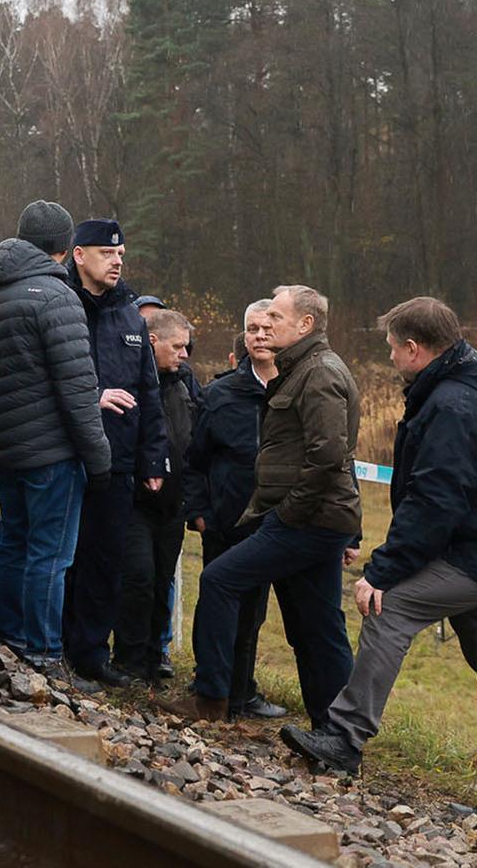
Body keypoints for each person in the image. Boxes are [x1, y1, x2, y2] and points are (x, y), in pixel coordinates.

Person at [282, 297, 477, 831]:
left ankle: (343, 737)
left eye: (391, 348)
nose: (388, 358)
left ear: (413, 348)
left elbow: (436, 500)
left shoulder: (453, 403)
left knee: (389, 605)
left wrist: (382, 570)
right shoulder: (467, 386)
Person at [168, 284, 359, 722]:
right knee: (314, 626)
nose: (265, 326)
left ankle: (211, 700)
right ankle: (332, 729)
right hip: (304, 518)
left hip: (305, 521)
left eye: (275, 317)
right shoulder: (301, 369)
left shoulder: (320, 373)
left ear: (305, 324)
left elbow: (331, 456)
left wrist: (288, 512)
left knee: (221, 581)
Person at [0, 200, 111, 686]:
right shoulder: (56, 298)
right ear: (66, 249)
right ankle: (44, 652)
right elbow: (77, 389)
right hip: (52, 450)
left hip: (5, 444)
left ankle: (8, 636)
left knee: (12, 541)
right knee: (49, 555)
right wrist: (99, 456)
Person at [63, 219, 168, 687]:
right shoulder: (61, 303)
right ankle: (50, 646)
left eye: (121, 254)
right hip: (67, 453)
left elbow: (149, 391)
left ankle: (90, 655)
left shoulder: (129, 314)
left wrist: (151, 458)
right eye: (107, 253)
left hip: (119, 460)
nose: (117, 261)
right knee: (64, 556)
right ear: (79, 255)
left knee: (106, 561)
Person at [182, 300, 287, 720]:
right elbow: (195, 459)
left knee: (254, 614)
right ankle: (210, 690)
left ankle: (243, 693)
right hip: (226, 521)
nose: (260, 336)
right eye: (252, 329)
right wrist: (200, 510)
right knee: (219, 607)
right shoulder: (220, 393)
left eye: (267, 328)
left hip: (277, 523)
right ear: (244, 338)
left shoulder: (298, 390)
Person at [113, 309, 199, 682]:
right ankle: (127, 658)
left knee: (163, 579)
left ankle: (154, 655)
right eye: (177, 346)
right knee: (138, 578)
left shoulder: (184, 385)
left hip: (173, 505)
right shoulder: (129, 381)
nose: (184, 354)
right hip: (135, 502)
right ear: (153, 342)